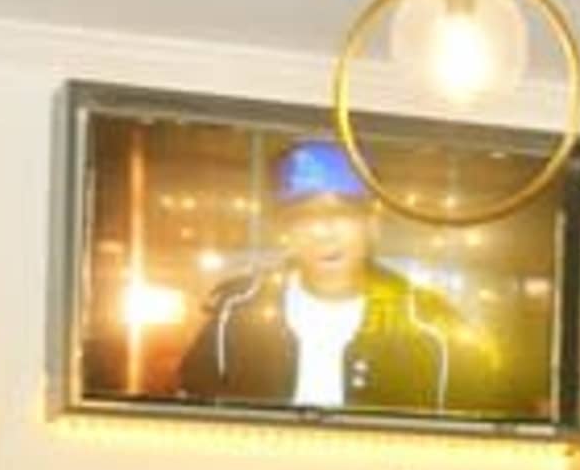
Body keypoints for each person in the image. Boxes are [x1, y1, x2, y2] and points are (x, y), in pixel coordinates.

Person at [177, 140, 486, 413]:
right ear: (285, 230)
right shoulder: (238, 314)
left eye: (342, 215)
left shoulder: (429, 325)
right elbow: (191, 419)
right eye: (303, 218)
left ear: (372, 224)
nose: (323, 232)